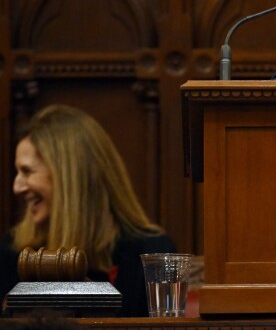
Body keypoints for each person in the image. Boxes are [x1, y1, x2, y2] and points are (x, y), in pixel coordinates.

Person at [0, 105, 176, 317]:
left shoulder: (152, 255)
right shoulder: (13, 251)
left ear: (68, 177)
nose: (17, 187)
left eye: (27, 171)